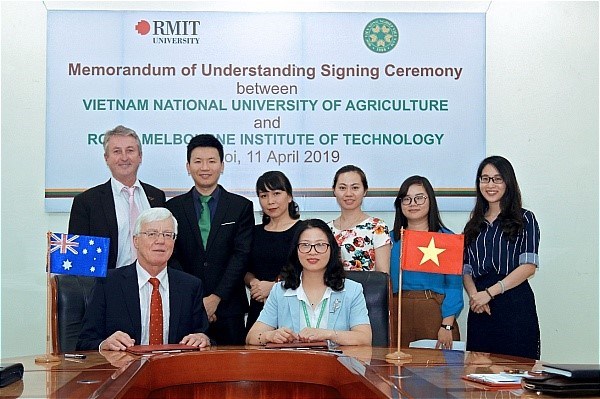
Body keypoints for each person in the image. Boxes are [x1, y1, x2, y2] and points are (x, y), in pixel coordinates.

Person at [77, 208, 211, 351]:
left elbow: (204, 336)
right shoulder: (108, 284)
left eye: (167, 235)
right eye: (152, 234)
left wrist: (203, 338)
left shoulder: (190, 286)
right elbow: (84, 342)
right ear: (136, 241)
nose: (160, 241)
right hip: (124, 370)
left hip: (174, 369)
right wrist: (104, 344)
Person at [166, 134, 253, 345]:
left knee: (233, 371)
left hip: (229, 307)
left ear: (222, 165)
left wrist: (215, 298)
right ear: (188, 166)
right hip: (186, 306)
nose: (205, 167)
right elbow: (172, 256)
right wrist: (197, 299)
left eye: (212, 161)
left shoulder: (240, 206)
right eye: (198, 161)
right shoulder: (173, 208)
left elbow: (240, 256)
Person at [246, 219, 372, 346]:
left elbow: (364, 338)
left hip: (336, 363)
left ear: (331, 249)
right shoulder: (280, 290)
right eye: (305, 245)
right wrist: (270, 335)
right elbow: (252, 337)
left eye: (320, 245)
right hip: (294, 363)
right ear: (296, 250)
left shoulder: (352, 290)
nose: (312, 252)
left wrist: (328, 334)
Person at [463, 156, 541, 359]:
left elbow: (528, 266)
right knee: (478, 377)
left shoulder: (525, 219)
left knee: (516, 377)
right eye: (485, 178)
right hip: (480, 308)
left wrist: (490, 293)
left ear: (508, 182)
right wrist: (475, 297)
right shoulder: (473, 224)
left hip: (513, 305)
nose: (490, 185)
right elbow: (466, 269)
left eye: (497, 179)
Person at [69, 125, 166, 270]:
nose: (124, 157)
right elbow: (80, 260)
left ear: (140, 156)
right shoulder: (86, 202)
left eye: (130, 151)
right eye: (117, 151)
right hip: (108, 286)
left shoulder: (157, 197)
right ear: (106, 158)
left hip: (151, 283)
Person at [390, 176, 463, 349]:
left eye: (419, 197)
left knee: (436, 372)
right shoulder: (390, 240)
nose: (412, 203)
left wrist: (447, 325)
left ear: (431, 200)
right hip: (399, 314)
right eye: (406, 199)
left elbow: (454, 287)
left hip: (435, 314)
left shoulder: (447, 239)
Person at [244, 171, 302, 332]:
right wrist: (254, 283)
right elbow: (244, 268)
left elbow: (310, 272)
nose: (270, 201)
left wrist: (275, 287)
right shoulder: (253, 233)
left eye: (276, 193)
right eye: (264, 196)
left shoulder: (303, 231)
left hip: (294, 309)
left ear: (289, 196)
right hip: (259, 309)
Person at [328, 165, 391, 273]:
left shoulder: (377, 227)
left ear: (365, 191)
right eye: (342, 188)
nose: (348, 194)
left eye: (355, 188)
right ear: (334, 191)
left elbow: (382, 276)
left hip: (366, 290)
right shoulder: (326, 229)